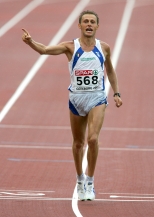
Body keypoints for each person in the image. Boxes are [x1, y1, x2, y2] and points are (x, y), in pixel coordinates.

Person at [22, 10, 123, 201]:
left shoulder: (104, 47)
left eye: (92, 21)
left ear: (97, 26)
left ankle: (91, 182)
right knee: (78, 143)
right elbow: (45, 50)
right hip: (76, 99)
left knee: (92, 139)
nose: (89, 24)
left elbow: (110, 71)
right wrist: (30, 42)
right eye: (85, 21)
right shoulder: (70, 47)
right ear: (79, 25)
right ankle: (80, 180)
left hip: (97, 98)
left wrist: (116, 93)